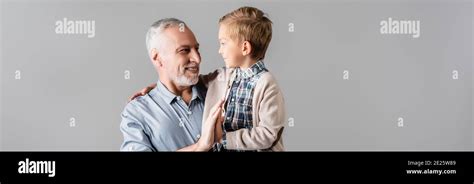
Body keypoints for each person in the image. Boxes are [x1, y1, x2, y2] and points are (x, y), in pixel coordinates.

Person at [120, 18, 223, 151]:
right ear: (157, 58)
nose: (197, 58)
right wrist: (199, 147)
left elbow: (251, 69)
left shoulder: (217, 87)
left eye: (196, 49)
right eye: (184, 50)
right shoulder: (137, 112)